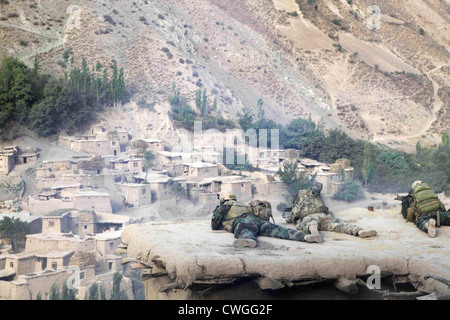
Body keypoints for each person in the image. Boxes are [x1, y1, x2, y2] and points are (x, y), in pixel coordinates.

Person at [211, 193, 323, 248]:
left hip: (244, 222)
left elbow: (214, 225)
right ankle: (305, 236)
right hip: (258, 221)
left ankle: (248, 240)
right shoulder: (242, 204)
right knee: (280, 230)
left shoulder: (225, 206)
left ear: (224, 199)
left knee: (245, 231)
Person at [284, 182, 377, 241]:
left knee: (310, 222)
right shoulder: (316, 197)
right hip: (325, 216)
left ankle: (315, 234)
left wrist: (288, 217)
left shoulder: (299, 203)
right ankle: (359, 231)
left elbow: (292, 217)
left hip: (311, 217)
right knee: (339, 226)